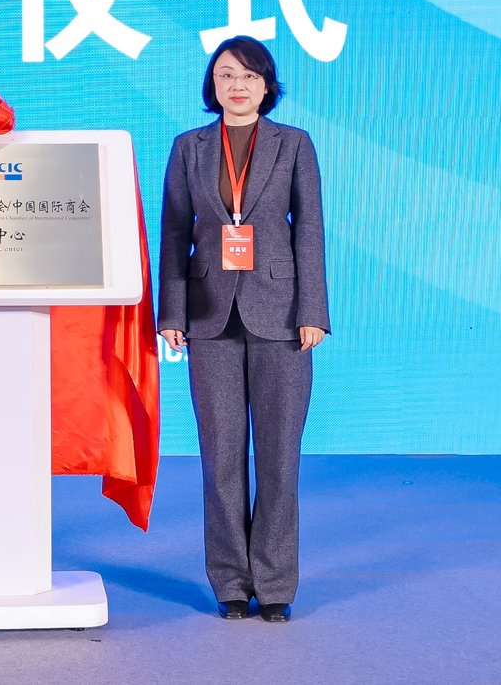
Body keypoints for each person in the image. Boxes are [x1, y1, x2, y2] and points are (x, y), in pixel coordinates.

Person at [158, 35, 329, 623]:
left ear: (266, 86)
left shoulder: (294, 144)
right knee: (221, 457)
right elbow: (174, 233)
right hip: (209, 316)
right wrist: (172, 315)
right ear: (213, 84)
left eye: (250, 76)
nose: (238, 85)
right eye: (227, 74)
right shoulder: (189, 147)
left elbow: (310, 229)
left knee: (279, 457)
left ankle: (276, 584)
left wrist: (313, 311)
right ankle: (231, 581)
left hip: (282, 316)